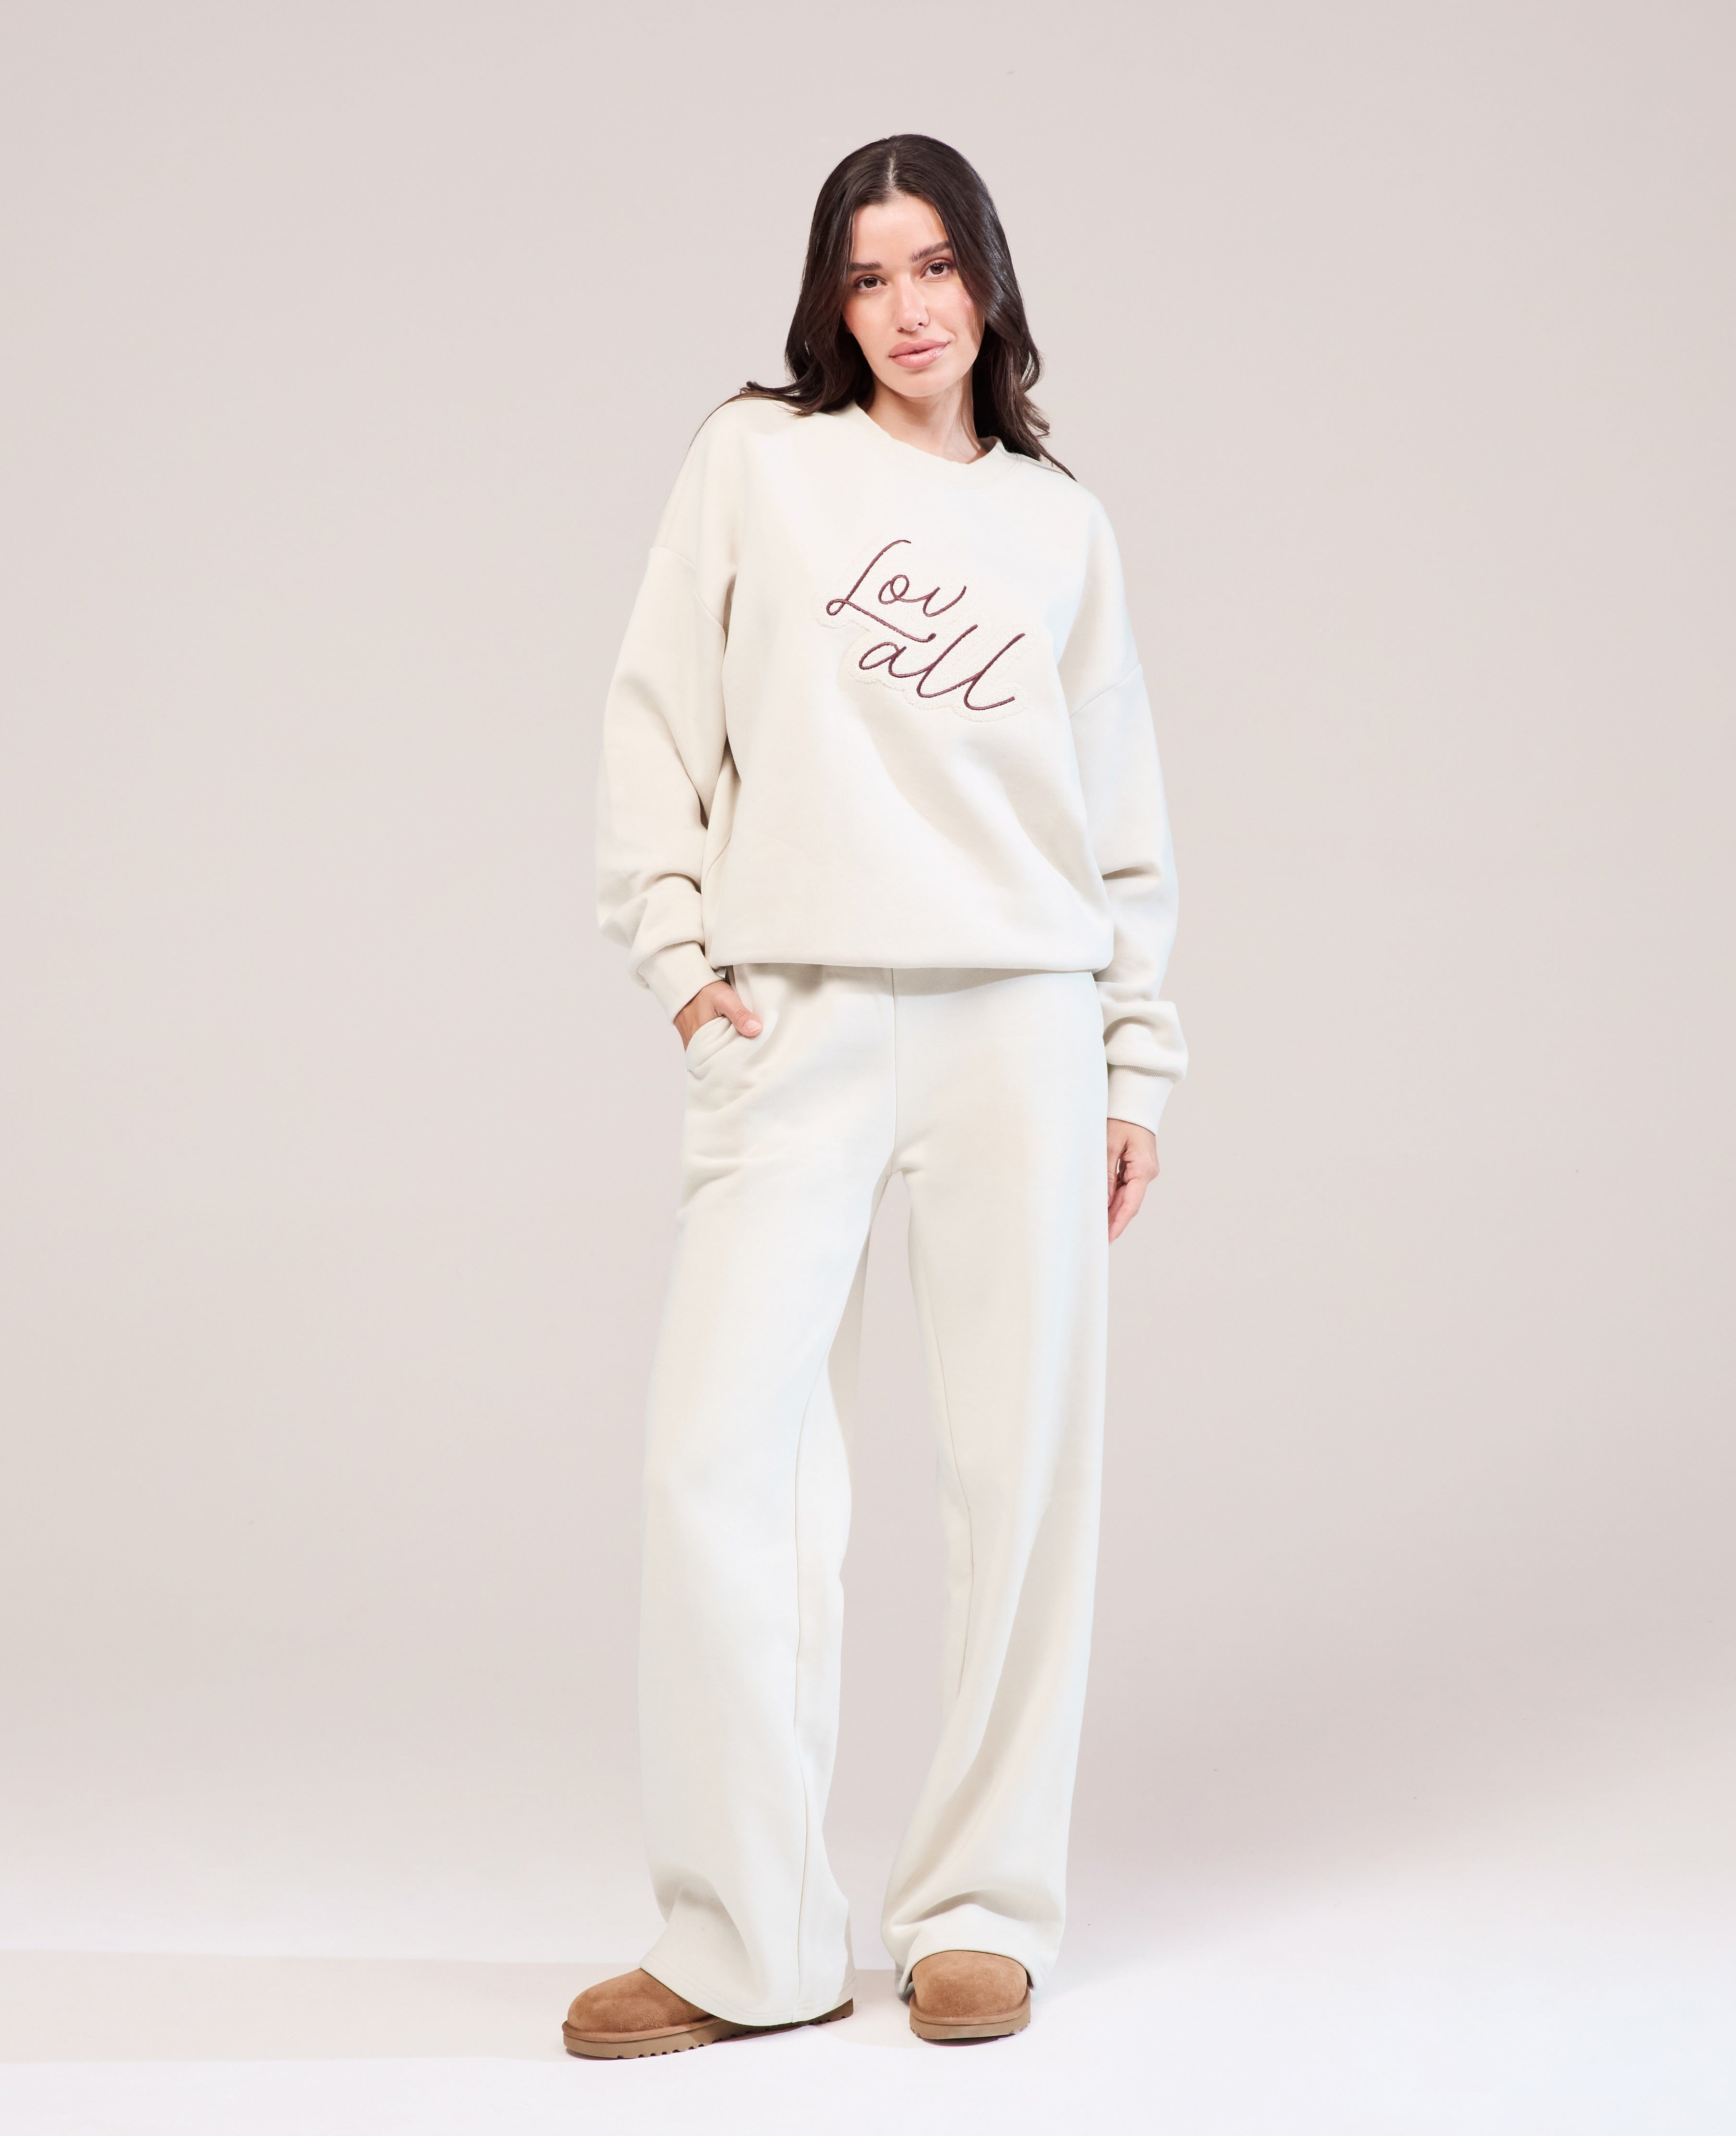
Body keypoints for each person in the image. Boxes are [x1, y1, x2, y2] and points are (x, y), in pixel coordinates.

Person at [565, 134, 1186, 2058]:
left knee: (1022, 1471)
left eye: (936, 267)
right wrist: (677, 953)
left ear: (987, 280)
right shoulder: (756, 459)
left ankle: (982, 1910)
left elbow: (1119, 813)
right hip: (799, 1015)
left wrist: (1134, 1055)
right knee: (721, 1466)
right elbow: (656, 710)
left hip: (1020, 1015)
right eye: (867, 275)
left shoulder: (1059, 526)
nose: (909, 308)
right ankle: (743, 1938)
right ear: (828, 303)